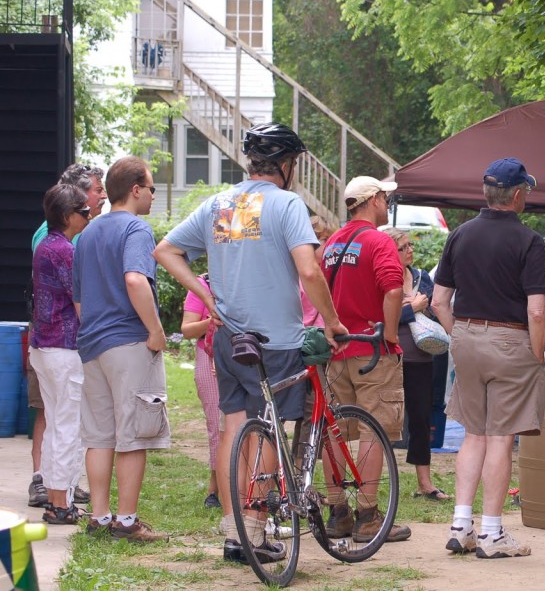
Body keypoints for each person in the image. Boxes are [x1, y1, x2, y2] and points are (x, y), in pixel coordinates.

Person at [155, 122, 346, 562]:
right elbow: (310, 270)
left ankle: (233, 531)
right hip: (275, 340)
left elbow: (164, 250)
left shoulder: (221, 204)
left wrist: (205, 296)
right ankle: (256, 531)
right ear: (286, 165)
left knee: (232, 430)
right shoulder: (286, 204)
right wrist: (332, 321)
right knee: (267, 432)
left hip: (228, 338)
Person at [431, 157, 545, 560]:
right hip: (510, 340)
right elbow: (537, 310)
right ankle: (493, 532)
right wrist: (536, 354)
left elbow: (439, 300)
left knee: (473, 434)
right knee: (501, 436)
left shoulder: (459, 234)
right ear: (517, 195)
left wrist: (458, 334)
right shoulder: (529, 241)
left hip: (465, 335)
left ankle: (461, 525)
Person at [73, 156, 168, 542]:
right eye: (151, 187)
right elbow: (135, 279)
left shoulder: (88, 233)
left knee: (99, 435)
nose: (152, 194)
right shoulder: (136, 228)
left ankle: (98, 517)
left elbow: (78, 300)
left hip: (92, 344)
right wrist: (156, 330)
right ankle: (126, 522)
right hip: (128, 340)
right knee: (134, 434)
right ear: (135, 190)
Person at [319, 176, 411, 543]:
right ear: (372, 200)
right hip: (373, 352)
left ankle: (337, 512)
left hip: (337, 351)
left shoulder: (332, 243)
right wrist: (390, 333)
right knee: (375, 431)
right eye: (384, 198)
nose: (387, 204)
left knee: (335, 431)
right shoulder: (378, 240)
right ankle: (368, 517)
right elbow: (393, 287)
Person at [26, 163, 105, 509]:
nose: (89, 213)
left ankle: (60, 497)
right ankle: (61, 503)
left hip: (43, 347)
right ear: (67, 215)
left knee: (58, 423)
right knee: (68, 426)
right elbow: (80, 303)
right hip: (62, 348)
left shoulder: (48, 244)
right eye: (83, 210)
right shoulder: (66, 251)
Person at [383, 227, 450, 500]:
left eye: (410, 245)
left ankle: (425, 482)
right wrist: (412, 308)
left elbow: (437, 309)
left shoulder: (422, 277)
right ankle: (378, 482)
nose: (410, 250)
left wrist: (421, 307)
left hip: (422, 357)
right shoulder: (382, 278)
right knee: (386, 420)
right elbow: (379, 317)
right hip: (391, 357)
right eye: (403, 247)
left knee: (421, 420)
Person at [181, 273, 222, 509]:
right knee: (217, 424)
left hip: (245, 353)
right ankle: (215, 489)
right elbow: (187, 330)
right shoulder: (201, 284)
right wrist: (213, 322)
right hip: (208, 356)